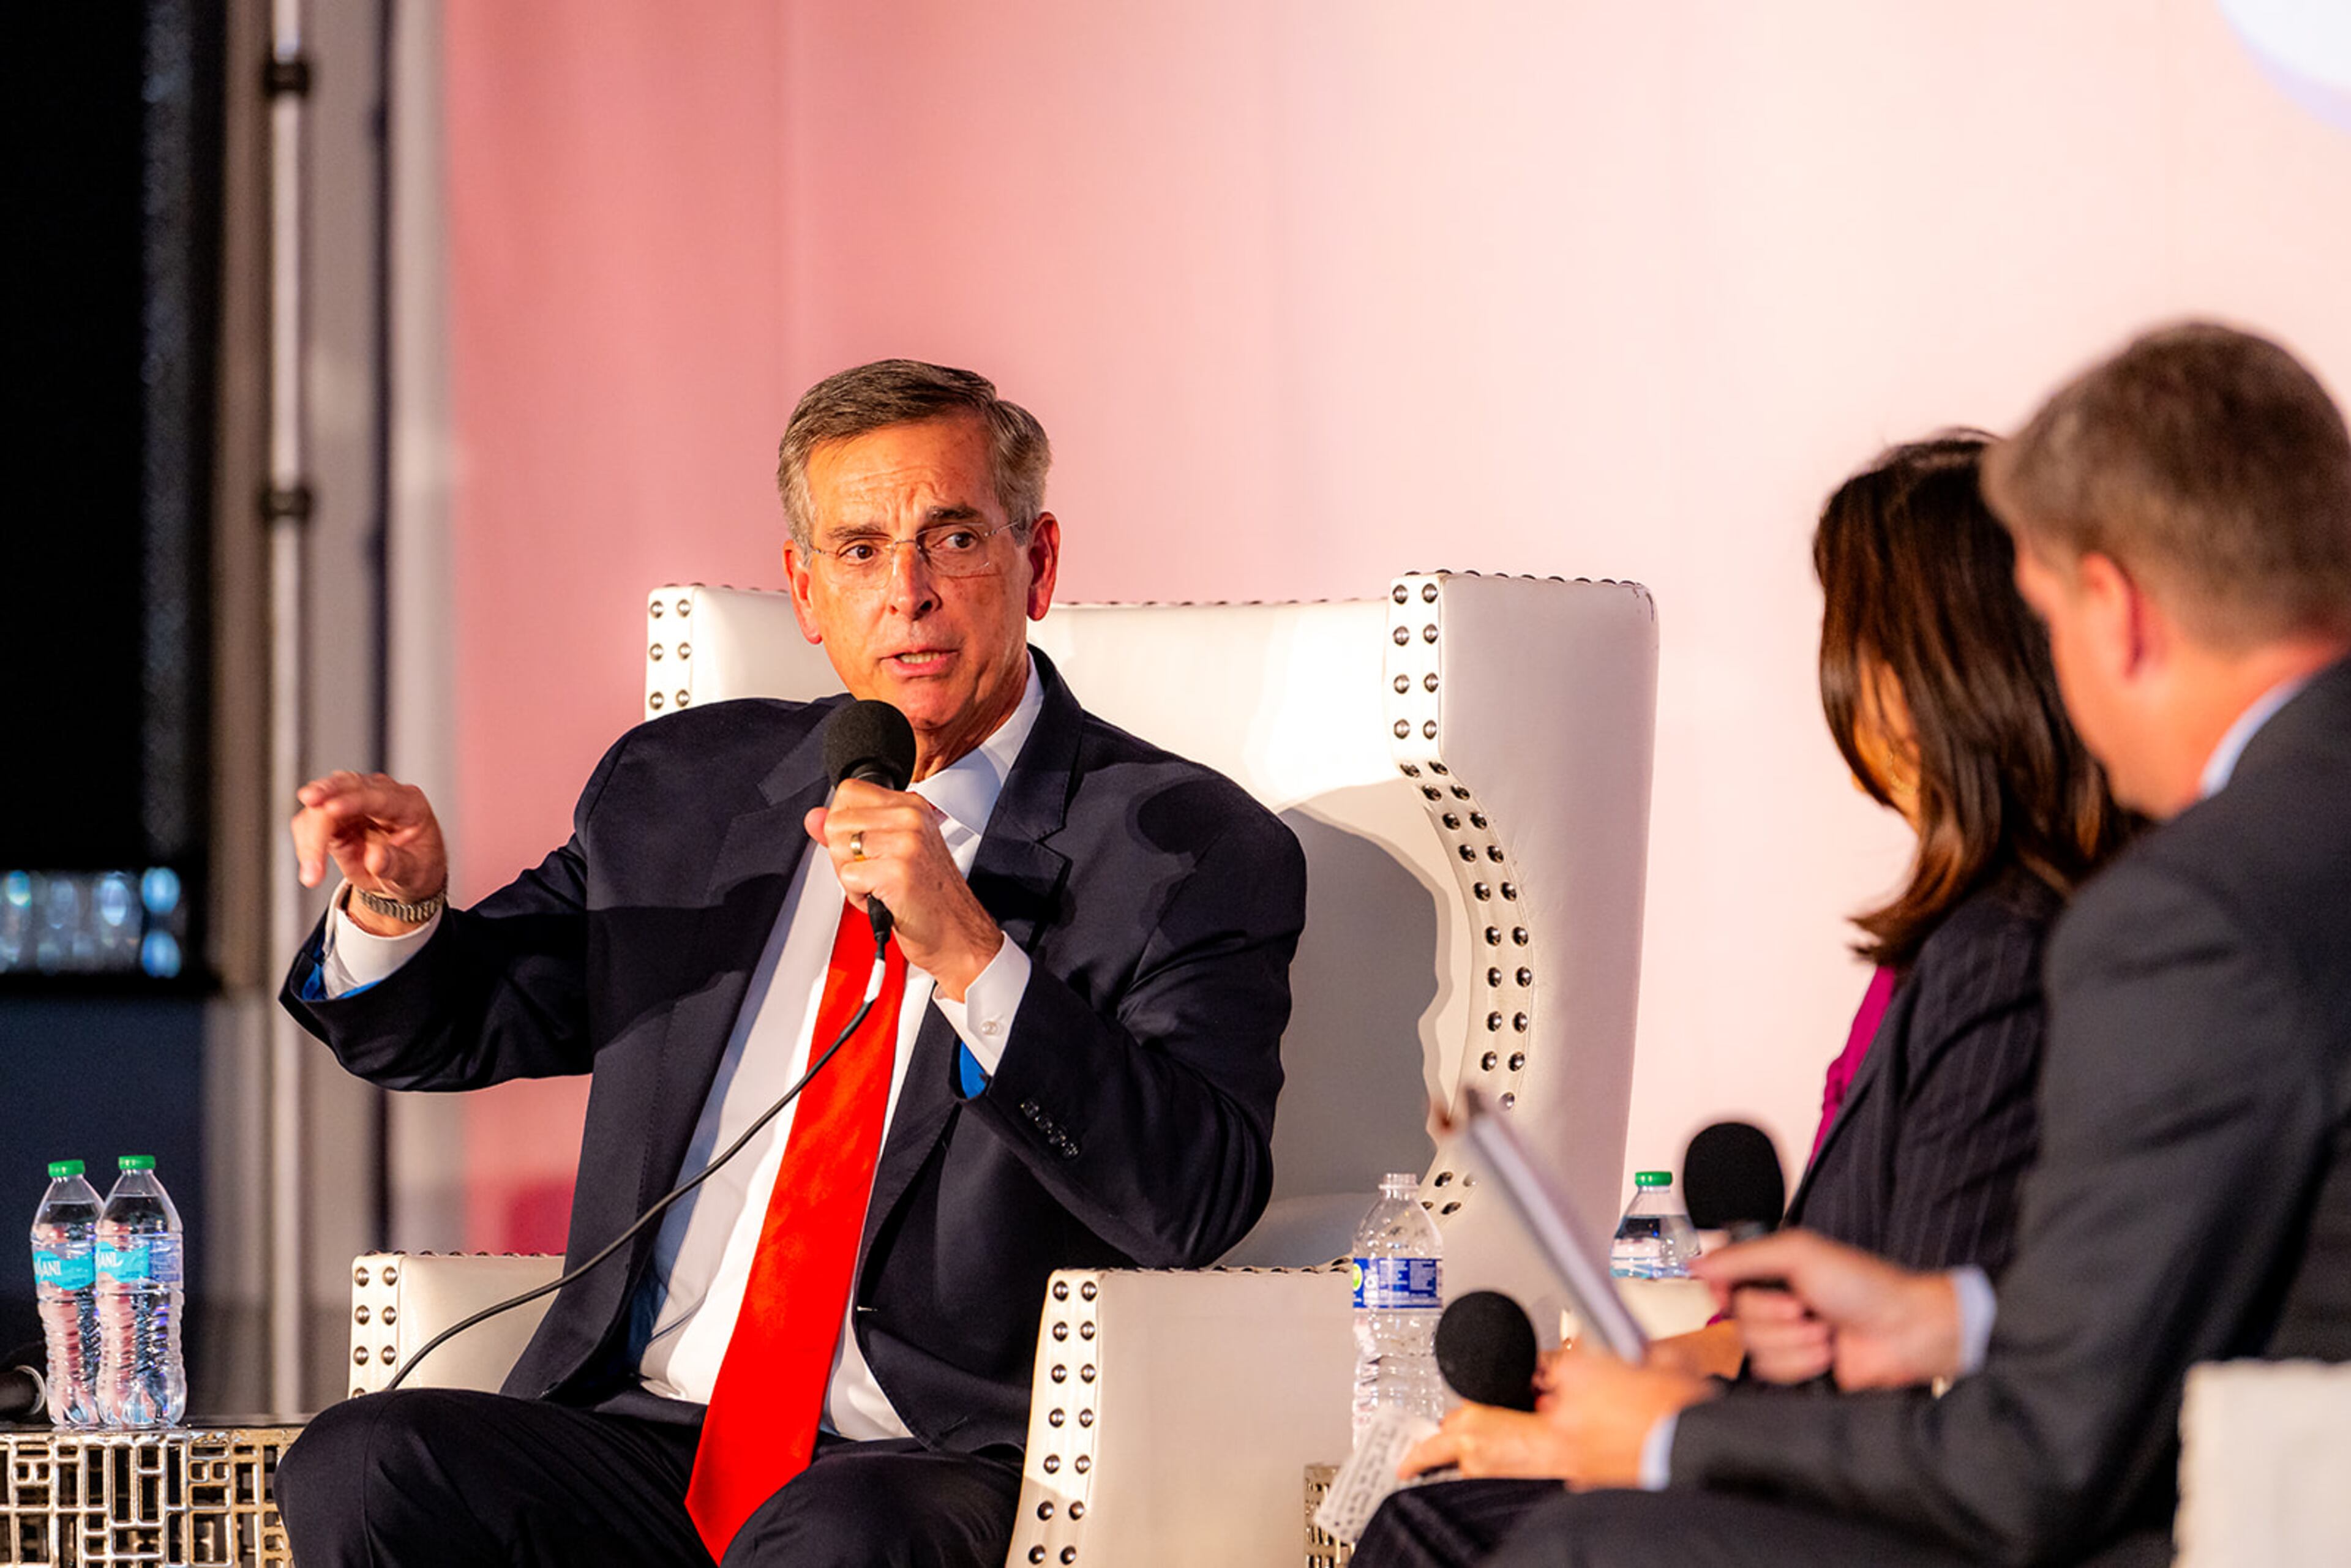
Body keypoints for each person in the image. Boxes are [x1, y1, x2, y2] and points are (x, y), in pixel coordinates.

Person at [269, 359, 1308, 1568]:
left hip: (920, 1460)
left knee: (849, 1534)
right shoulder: (684, 793)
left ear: (1041, 561)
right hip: (643, 1439)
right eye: (860, 551)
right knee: (362, 1463)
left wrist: (971, 951)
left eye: (954, 538)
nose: (907, 595)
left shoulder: (1184, 850)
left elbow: (1196, 1201)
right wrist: (398, 905)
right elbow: (458, 1024)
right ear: (805, 592)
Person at [1447, 322, 2351, 1568]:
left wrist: (1675, 1438)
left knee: (1584, 1548)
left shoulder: (2188, 913)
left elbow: (2034, 1466)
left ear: (2115, 610)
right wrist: (1959, 1316)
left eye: (2045, 622)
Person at [1351, 435, 2130, 1567]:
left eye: (1851, 636)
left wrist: (1662, 1438)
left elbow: (1932, 1383)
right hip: (1809, 1459)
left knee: (1438, 1526)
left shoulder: (2003, 958)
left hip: (1873, 1509)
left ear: (1922, 679)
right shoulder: (1964, 948)